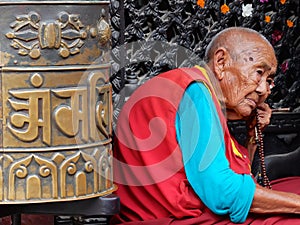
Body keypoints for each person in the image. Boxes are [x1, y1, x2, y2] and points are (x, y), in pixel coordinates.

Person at [111, 27, 300, 225]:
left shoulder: (196, 89)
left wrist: (253, 134)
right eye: (258, 73)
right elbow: (223, 193)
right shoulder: (195, 92)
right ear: (221, 63)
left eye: (269, 81)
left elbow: (240, 178)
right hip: (164, 218)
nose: (263, 90)